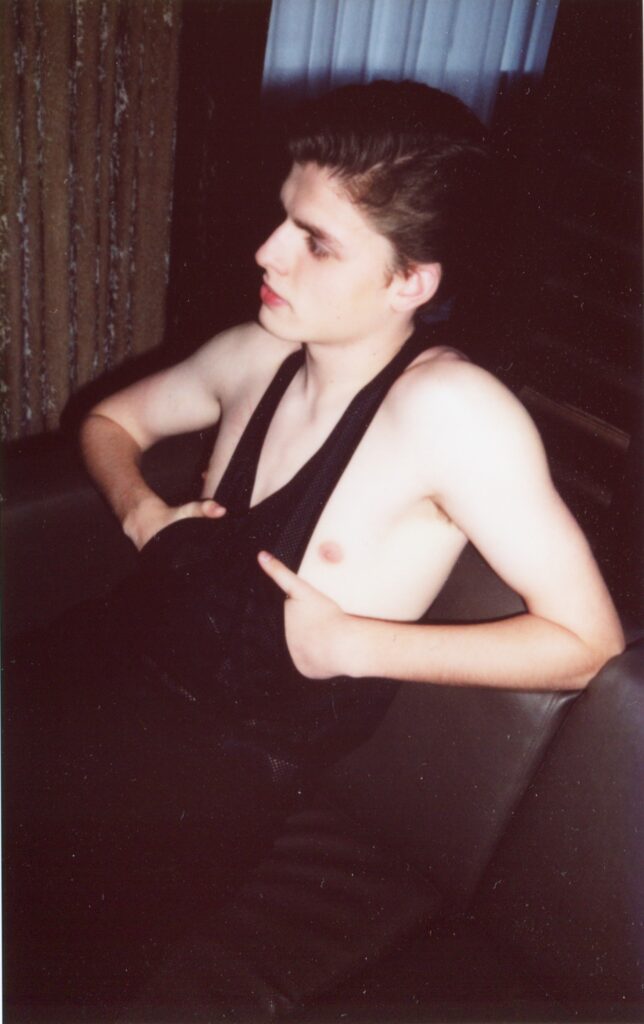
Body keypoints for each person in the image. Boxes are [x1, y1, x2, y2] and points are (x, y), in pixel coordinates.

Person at [4, 81, 624, 1015]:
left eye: (315, 241)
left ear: (411, 282)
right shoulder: (257, 353)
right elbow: (110, 422)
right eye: (283, 219)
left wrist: (354, 645)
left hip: (204, 782)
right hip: (98, 669)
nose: (267, 251)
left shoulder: (452, 414)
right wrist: (140, 514)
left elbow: (587, 643)